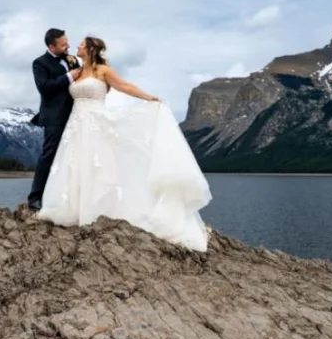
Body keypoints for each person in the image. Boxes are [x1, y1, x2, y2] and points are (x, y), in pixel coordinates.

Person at [35, 35, 211, 252]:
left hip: (97, 122)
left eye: (81, 44)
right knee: (76, 165)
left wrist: (148, 97)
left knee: (101, 167)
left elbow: (124, 86)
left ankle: (101, 209)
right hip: (76, 125)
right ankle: (74, 209)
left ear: (90, 49)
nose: (75, 47)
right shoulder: (77, 70)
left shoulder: (103, 70)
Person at [26, 28, 79, 211]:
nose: (68, 46)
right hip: (54, 116)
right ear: (51, 46)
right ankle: (35, 197)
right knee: (49, 154)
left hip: (76, 115)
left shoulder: (72, 60)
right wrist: (68, 77)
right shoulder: (40, 63)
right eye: (64, 44)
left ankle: (63, 196)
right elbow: (45, 87)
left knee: (72, 155)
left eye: (67, 42)